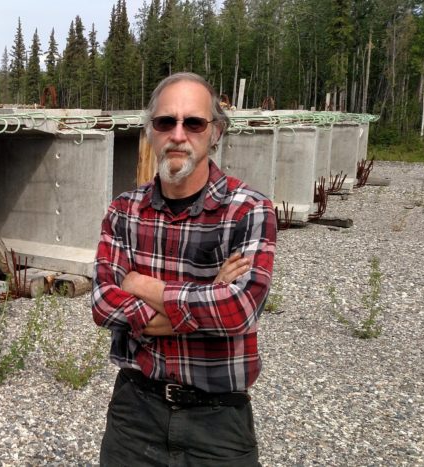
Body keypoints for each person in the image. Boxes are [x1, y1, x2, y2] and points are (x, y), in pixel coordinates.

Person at [91, 72, 277, 466]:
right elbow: (104, 304)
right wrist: (208, 293)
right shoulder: (124, 210)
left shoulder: (248, 209)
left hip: (218, 421)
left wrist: (139, 284)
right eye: (165, 122)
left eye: (193, 122)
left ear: (216, 132)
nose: (178, 135)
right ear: (150, 132)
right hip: (134, 413)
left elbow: (238, 309)